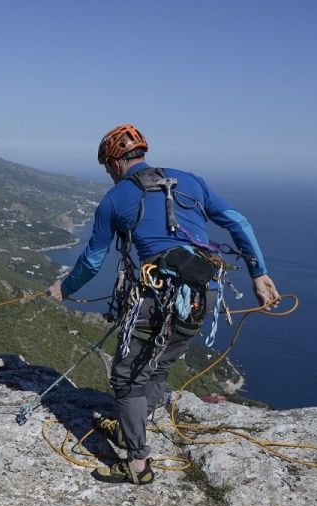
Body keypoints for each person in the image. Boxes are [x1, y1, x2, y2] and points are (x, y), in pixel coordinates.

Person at [48, 124, 279, 485]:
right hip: (197, 298)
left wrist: (64, 287)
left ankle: (137, 464)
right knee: (156, 368)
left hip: (153, 296)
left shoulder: (115, 199)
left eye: (108, 168)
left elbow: (93, 262)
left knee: (126, 378)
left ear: (113, 162)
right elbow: (237, 222)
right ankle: (133, 429)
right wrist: (258, 273)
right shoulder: (190, 181)